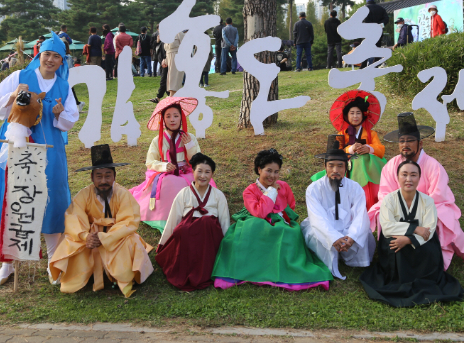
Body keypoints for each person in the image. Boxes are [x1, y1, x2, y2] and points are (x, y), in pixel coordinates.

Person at [0, 33, 80, 287]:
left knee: (53, 197)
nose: (50, 60)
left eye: (56, 57)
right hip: (19, 143)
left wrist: (60, 114)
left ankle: (53, 262)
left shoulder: (63, 87)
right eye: (47, 55)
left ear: (62, 61)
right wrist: (13, 96)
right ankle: (8, 265)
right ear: (39, 56)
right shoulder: (19, 77)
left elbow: (71, 120)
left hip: (51, 148)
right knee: (19, 199)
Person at [212, 149, 333, 291]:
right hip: (256, 219)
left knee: (287, 232)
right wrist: (271, 191)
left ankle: (288, 271)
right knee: (254, 228)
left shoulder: (284, 186)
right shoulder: (249, 191)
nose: (272, 175)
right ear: (259, 169)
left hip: (280, 220)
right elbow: (259, 212)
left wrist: (281, 215)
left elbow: (291, 206)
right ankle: (252, 270)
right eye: (268, 171)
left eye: (276, 172)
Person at [368, 112, 464, 270]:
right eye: (402, 141)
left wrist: (414, 218)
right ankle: (394, 261)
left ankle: (428, 257)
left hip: (426, 212)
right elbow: (385, 195)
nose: (405, 145)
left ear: (420, 143)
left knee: (442, 213)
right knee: (381, 211)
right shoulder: (391, 166)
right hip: (398, 213)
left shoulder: (433, 166)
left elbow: (438, 198)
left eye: (410, 140)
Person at [49, 145, 153, 298]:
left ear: (114, 176)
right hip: (91, 236)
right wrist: (86, 236)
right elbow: (74, 217)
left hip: (117, 237)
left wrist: (106, 238)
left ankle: (123, 277)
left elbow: (129, 221)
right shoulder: (84, 195)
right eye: (99, 176)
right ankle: (77, 276)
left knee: (131, 241)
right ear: (92, 178)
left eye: (107, 176)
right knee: (69, 241)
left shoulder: (123, 195)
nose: (103, 180)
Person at [359, 160, 464, 307]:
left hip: (421, 240)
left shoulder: (427, 201)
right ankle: (398, 280)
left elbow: (429, 229)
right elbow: (388, 228)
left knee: (426, 245)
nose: (408, 179)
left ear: (419, 178)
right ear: (398, 178)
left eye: (413, 175)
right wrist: (414, 229)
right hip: (395, 237)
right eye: (404, 174)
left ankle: (424, 278)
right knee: (396, 245)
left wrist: (409, 240)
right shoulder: (389, 200)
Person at [129, 97, 213, 231]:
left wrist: (189, 146)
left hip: (187, 171)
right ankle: (166, 217)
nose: (172, 119)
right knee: (171, 183)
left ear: (181, 118)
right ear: (163, 120)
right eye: (168, 116)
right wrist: (163, 166)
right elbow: (150, 162)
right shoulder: (157, 141)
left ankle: (193, 213)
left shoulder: (189, 137)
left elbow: (198, 161)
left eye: (176, 116)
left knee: (197, 180)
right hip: (166, 173)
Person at [301, 136, 376, 280]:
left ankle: (350, 256)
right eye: (331, 165)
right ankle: (331, 259)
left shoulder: (355, 188)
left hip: (347, 228)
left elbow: (361, 215)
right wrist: (334, 237)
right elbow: (317, 219)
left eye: (340, 166)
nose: (335, 170)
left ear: (346, 167)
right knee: (314, 233)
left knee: (364, 233)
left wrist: (352, 237)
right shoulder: (314, 189)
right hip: (324, 229)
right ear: (325, 166)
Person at [156, 153, 230, 291]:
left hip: (209, 233)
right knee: (182, 230)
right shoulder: (184, 193)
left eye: (207, 172)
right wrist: (162, 243)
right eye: (199, 171)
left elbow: (224, 219)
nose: (203, 176)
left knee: (207, 223)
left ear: (212, 174)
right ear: (193, 172)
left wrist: (227, 245)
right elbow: (173, 218)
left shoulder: (218, 195)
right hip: (188, 231)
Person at [312, 90, 386, 210]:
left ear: (363, 115)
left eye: (358, 113)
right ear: (347, 116)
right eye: (352, 113)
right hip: (348, 165)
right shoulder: (342, 134)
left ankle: (369, 198)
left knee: (362, 159)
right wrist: (351, 149)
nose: (355, 116)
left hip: (368, 166)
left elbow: (381, 149)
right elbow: (335, 152)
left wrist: (368, 149)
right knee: (356, 160)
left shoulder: (371, 134)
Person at [148, 28, 168, 104]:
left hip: (166, 62)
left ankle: (159, 97)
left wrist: (165, 59)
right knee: (165, 80)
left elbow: (168, 51)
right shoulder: (159, 39)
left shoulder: (167, 39)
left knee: (164, 80)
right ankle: (161, 96)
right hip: (162, 62)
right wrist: (157, 41)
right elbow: (153, 47)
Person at [165, 30, 186, 96]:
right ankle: (173, 95)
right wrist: (165, 60)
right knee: (170, 77)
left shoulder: (180, 34)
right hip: (169, 58)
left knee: (175, 77)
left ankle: (172, 95)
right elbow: (166, 50)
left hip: (177, 58)